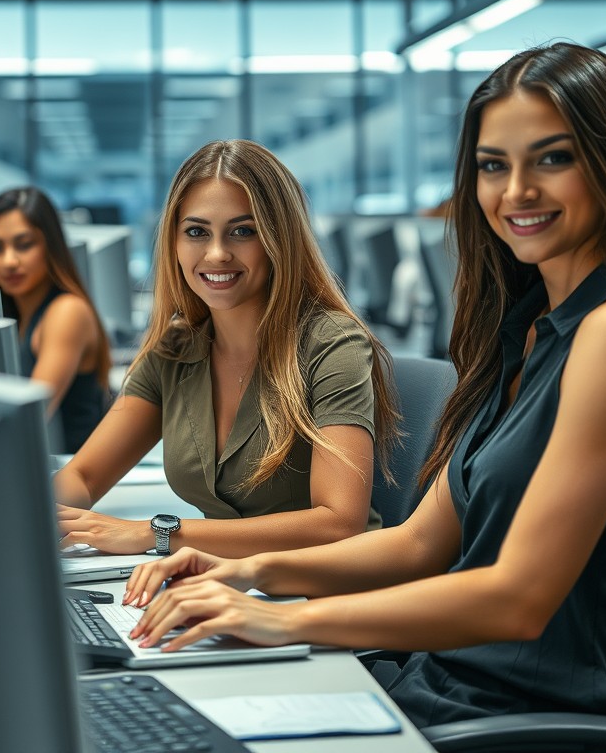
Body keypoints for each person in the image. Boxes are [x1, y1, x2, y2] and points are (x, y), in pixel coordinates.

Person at [120, 44, 606, 730]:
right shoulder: (531, 332)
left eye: (552, 158)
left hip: (525, 720)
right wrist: (245, 572)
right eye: (493, 165)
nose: (515, 191)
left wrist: (284, 623)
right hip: (443, 685)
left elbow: (518, 599)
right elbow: (417, 546)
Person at [55, 139, 400, 559]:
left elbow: (337, 523)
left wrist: (158, 533)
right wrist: (21, 519)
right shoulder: (176, 349)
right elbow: (86, 476)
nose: (217, 254)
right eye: (197, 231)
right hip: (223, 589)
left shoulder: (332, 343)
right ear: (174, 243)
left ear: (279, 239)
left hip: (323, 597)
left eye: (243, 231)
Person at [0, 187, 111, 453]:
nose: (9, 261)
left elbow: (29, 417)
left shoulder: (66, 312)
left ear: (50, 246)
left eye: (24, 245)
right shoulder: (17, 314)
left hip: (72, 481)